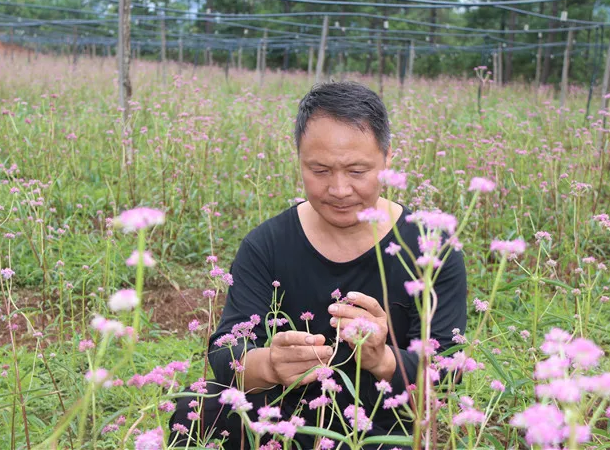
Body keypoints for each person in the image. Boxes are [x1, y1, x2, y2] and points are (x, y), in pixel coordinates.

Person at [169, 81, 467, 449]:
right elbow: (227, 353)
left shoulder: (430, 249)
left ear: (388, 159)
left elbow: (449, 371)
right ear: (298, 158)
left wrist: (383, 358)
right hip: (281, 415)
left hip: (382, 421)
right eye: (320, 170)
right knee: (198, 408)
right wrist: (271, 364)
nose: (339, 189)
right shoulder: (267, 245)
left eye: (357, 171)